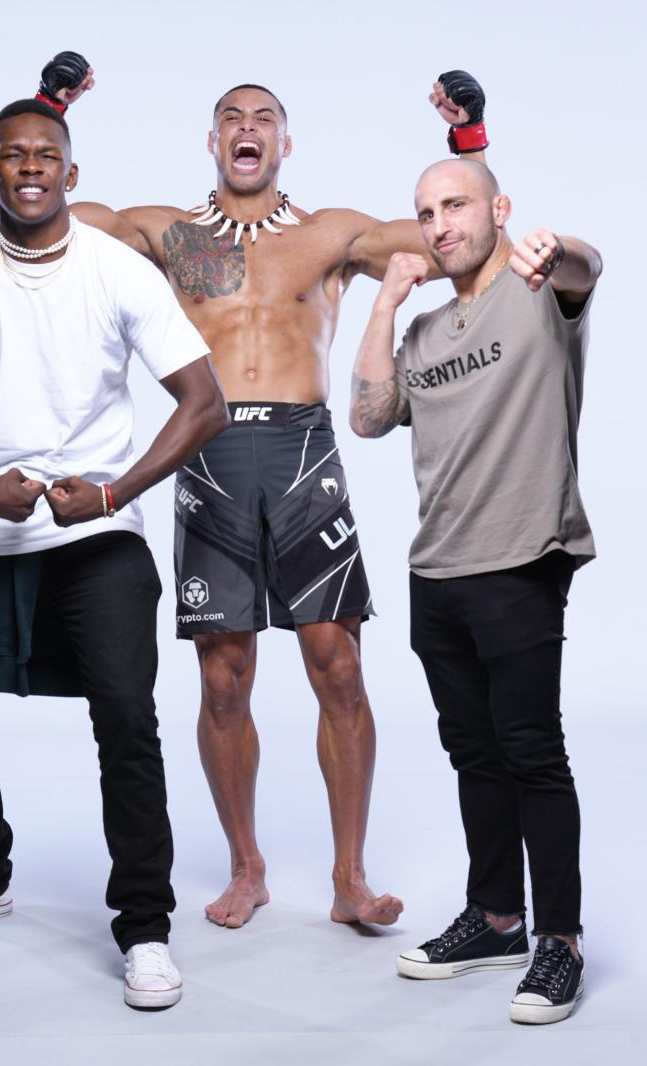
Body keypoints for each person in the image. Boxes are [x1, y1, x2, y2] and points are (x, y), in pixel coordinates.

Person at [48, 57, 487, 930]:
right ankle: (247, 867)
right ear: (214, 141)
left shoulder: (328, 235)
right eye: (231, 117)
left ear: (284, 141)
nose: (247, 127)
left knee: (341, 670)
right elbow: (51, 216)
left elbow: (455, 242)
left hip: (302, 457)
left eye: (263, 117)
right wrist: (49, 111)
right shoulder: (171, 235)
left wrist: (466, 141)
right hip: (207, 455)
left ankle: (349, 878)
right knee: (223, 681)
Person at [0, 98, 228, 1010]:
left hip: (96, 533)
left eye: (46, 155)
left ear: (72, 174)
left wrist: (114, 492)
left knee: (126, 723)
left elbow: (204, 401)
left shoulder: (115, 271)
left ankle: (144, 929)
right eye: (12, 156)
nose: (30, 167)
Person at [349, 156, 601, 1024]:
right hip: (438, 572)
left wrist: (556, 247)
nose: (440, 223)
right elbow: (369, 418)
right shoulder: (421, 334)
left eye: (455, 205)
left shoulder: (540, 290)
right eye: (426, 213)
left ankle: (559, 942)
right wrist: (384, 302)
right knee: (475, 755)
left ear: (497, 208)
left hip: (522, 560)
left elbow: (586, 267)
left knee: (532, 750)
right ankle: (497, 919)